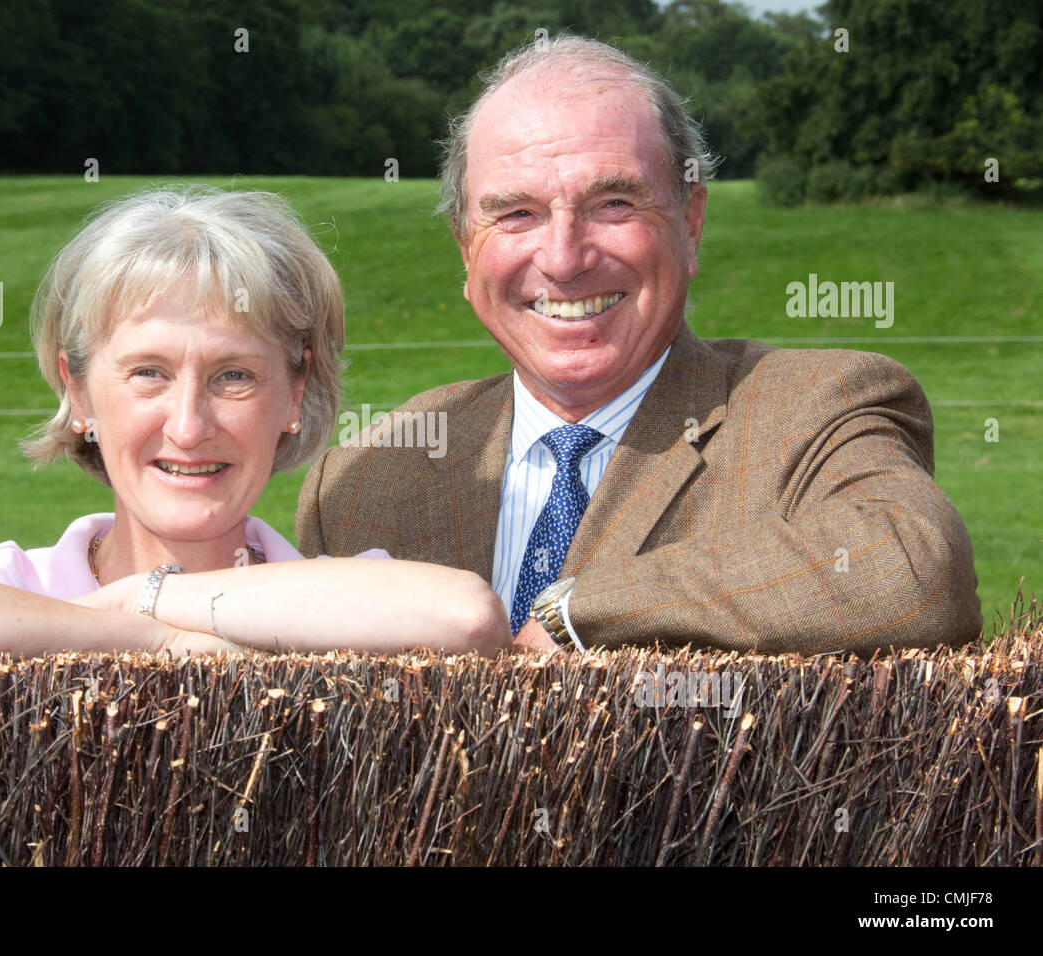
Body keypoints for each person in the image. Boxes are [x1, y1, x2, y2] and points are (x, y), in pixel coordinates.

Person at [296, 35, 982, 655]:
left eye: (614, 203)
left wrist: (581, 609)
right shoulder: (363, 482)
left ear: (690, 221)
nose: (564, 259)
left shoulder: (812, 410)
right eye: (516, 213)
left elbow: (912, 568)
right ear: (464, 248)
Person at [0, 187, 510, 665]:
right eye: (147, 373)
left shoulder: (344, 599)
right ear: (79, 392)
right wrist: (146, 636)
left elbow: (465, 618)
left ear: (295, 395)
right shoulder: (11, 585)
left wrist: (145, 594)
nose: (188, 427)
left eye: (234, 376)